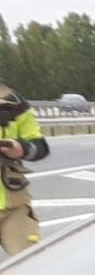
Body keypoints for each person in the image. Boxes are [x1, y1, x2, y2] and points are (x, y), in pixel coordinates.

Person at [0, 85, 47, 255]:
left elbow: (40, 147)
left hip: (14, 207)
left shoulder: (12, 101)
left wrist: (22, 148)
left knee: (31, 268)